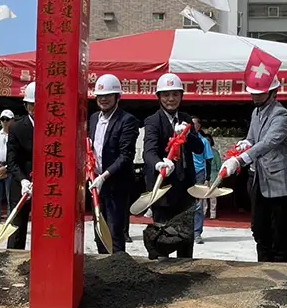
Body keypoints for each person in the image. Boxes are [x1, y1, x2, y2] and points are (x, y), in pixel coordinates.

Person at [219, 76, 287, 263]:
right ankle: (264, 269)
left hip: (281, 183)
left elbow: (268, 142)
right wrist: (244, 144)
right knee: (259, 230)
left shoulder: (281, 115)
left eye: (260, 93)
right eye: (253, 93)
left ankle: (281, 280)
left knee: (279, 236)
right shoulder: (256, 112)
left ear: (273, 92)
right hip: (259, 179)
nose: (255, 97)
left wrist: (240, 160)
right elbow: (253, 139)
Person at [142, 73, 204, 259]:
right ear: (159, 97)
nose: (171, 99)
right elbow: (149, 152)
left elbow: (199, 148)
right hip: (163, 188)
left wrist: (188, 134)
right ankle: (160, 274)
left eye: (175, 94)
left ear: (181, 96)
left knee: (186, 236)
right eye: (166, 95)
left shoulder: (185, 118)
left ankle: (185, 270)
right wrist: (159, 163)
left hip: (186, 188)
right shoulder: (153, 121)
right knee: (163, 236)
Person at [88, 74, 139, 253]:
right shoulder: (94, 118)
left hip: (116, 184)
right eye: (100, 96)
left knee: (114, 231)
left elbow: (126, 156)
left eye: (108, 96)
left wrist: (104, 176)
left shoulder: (127, 121)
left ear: (117, 96)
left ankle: (116, 271)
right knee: (98, 230)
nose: (103, 99)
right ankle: (102, 267)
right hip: (95, 184)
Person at [6, 82, 35, 250]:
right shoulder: (16, 127)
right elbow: (12, 160)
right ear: (25, 105)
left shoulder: (55, 126)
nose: (34, 108)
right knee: (16, 228)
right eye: (31, 105)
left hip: (47, 186)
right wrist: (23, 180)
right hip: (21, 186)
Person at [191, 117, 214, 244]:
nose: (192, 126)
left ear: (199, 126)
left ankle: (197, 233)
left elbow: (209, 159)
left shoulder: (204, 141)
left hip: (199, 173)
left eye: (194, 124)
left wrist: (208, 178)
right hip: (185, 174)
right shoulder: (182, 139)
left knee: (198, 205)